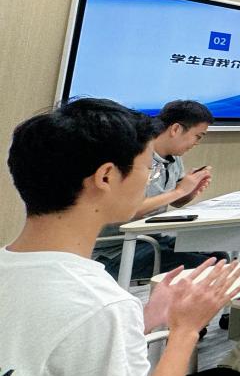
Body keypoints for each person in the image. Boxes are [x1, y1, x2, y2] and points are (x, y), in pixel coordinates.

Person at [0, 98, 240, 376]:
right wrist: (185, 330)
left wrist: (144, 320)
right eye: (145, 169)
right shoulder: (102, 305)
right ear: (106, 177)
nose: (148, 180)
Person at [92, 99, 217, 282]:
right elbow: (130, 209)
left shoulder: (174, 158)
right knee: (208, 268)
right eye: (198, 136)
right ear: (176, 129)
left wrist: (190, 191)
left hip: (152, 238)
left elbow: (175, 202)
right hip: (117, 249)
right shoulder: (136, 155)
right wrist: (179, 191)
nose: (196, 143)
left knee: (218, 256)